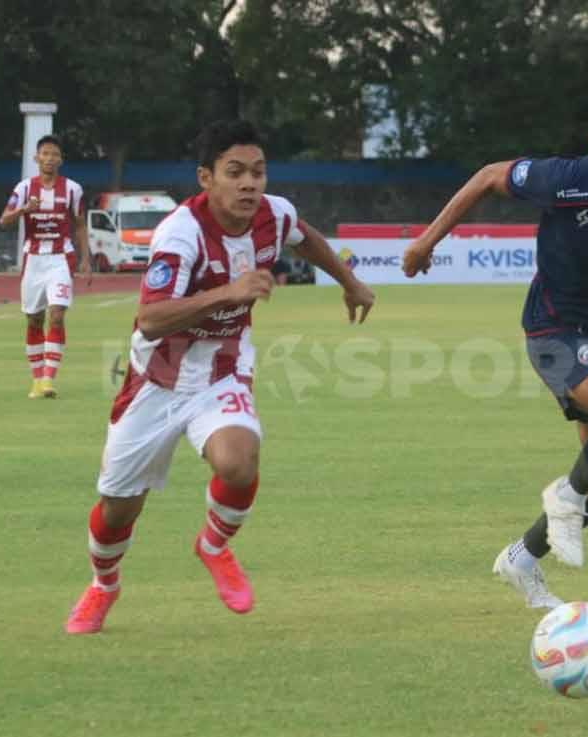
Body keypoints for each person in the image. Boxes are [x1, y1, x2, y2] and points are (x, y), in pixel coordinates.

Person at [64, 120, 376, 634]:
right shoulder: (179, 233)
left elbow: (307, 238)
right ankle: (104, 585)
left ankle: (213, 546)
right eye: (235, 173)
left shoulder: (273, 216)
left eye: (258, 172)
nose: (250, 183)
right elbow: (150, 318)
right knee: (118, 507)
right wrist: (228, 293)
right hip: (155, 380)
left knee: (238, 459)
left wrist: (351, 282)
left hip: (222, 370)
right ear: (206, 178)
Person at [401, 83, 588, 609]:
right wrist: (428, 241)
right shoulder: (563, 179)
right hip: (554, 330)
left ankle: (522, 557)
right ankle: (564, 494)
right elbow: (490, 176)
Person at [0, 135, 92, 399]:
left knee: (57, 313)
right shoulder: (24, 189)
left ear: (61, 160)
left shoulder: (73, 189)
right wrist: (24, 210)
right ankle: (37, 380)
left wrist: (86, 258)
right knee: (34, 319)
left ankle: (49, 380)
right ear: (36, 158)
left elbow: (80, 224)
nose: (50, 159)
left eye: (55, 155)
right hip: (34, 260)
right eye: (45, 154)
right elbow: (4, 220)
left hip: (61, 258)